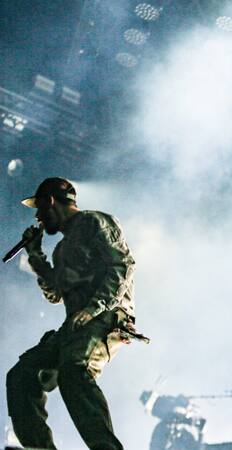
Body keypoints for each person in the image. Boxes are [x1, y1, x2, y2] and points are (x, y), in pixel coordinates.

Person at [6, 177, 139, 449]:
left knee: (73, 369)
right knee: (21, 375)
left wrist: (93, 308)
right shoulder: (62, 250)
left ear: (50, 201)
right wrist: (35, 254)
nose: (37, 217)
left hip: (107, 317)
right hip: (76, 327)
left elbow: (122, 265)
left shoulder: (95, 222)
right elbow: (55, 293)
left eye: (39, 209)